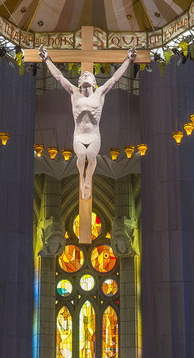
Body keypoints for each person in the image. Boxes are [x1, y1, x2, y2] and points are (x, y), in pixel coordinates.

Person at [42, 49, 133, 237]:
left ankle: (86, 181)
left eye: (88, 75)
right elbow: (59, 78)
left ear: (94, 82)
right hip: (78, 136)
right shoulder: (73, 93)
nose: (85, 76)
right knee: (81, 155)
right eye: (82, 75)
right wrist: (47, 60)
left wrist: (128, 61)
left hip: (93, 136)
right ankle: (83, 179)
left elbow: (115, 78)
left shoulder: (100, 94)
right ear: (79, 82)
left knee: (91, 156)